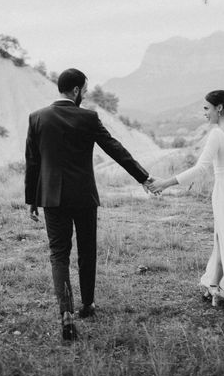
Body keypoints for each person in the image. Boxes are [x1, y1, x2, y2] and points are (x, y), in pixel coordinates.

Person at [25, 68, 152, 341]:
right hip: (83, 196)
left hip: (51, 198)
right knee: (87, 249)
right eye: (85, 89)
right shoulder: (88, 117)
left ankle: (66, 314)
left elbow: (32, 162)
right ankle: (88, 305)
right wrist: (143, 177)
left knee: (58, 254)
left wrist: (32, 200)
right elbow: (114, 148)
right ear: (75, 91)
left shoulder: (37, 118)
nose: (85, 93)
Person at [148, 90, 224, 325]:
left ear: (219, 108)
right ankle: (213, 285)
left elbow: (200, 169)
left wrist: (165, 183)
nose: (204, 113)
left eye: (206, 108)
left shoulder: (217, 134)